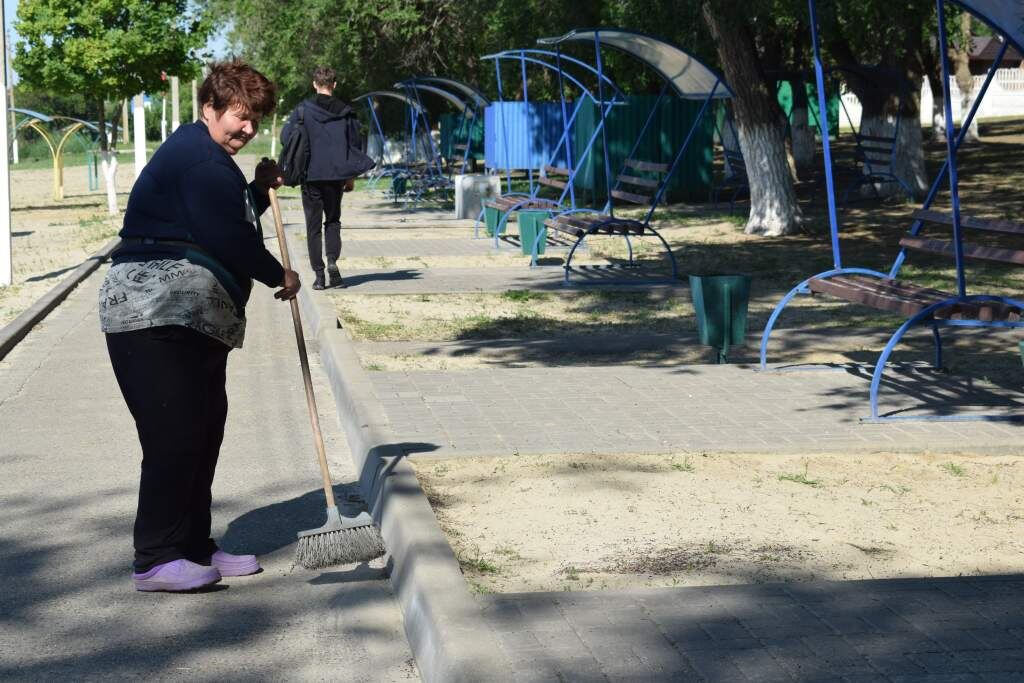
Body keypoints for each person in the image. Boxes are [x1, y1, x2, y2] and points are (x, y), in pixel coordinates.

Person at [99, 60, 300, 592]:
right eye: (240, 116)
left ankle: (192, 544)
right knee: (174, 434)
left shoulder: (206, 156)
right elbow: (226, 238)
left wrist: (256, 192)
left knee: (204, 429)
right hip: (152, 318)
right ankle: (156, 558)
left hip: (192, 320)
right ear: (209, 108)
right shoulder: (198, 160)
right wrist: (279, 274)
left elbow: (219, 216)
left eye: (255, 119)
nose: (248, 129)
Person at [284, 66, 364, 290]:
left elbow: (285, 137)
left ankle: (319, 277)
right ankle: (332, 262)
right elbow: (355, 145)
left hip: (310, 176)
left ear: (314, 84)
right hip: (336, 177)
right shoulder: (346, 112)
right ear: (334, 84)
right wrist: (350, 177)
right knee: (333, 221)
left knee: (313, 227)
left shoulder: (302, 111)